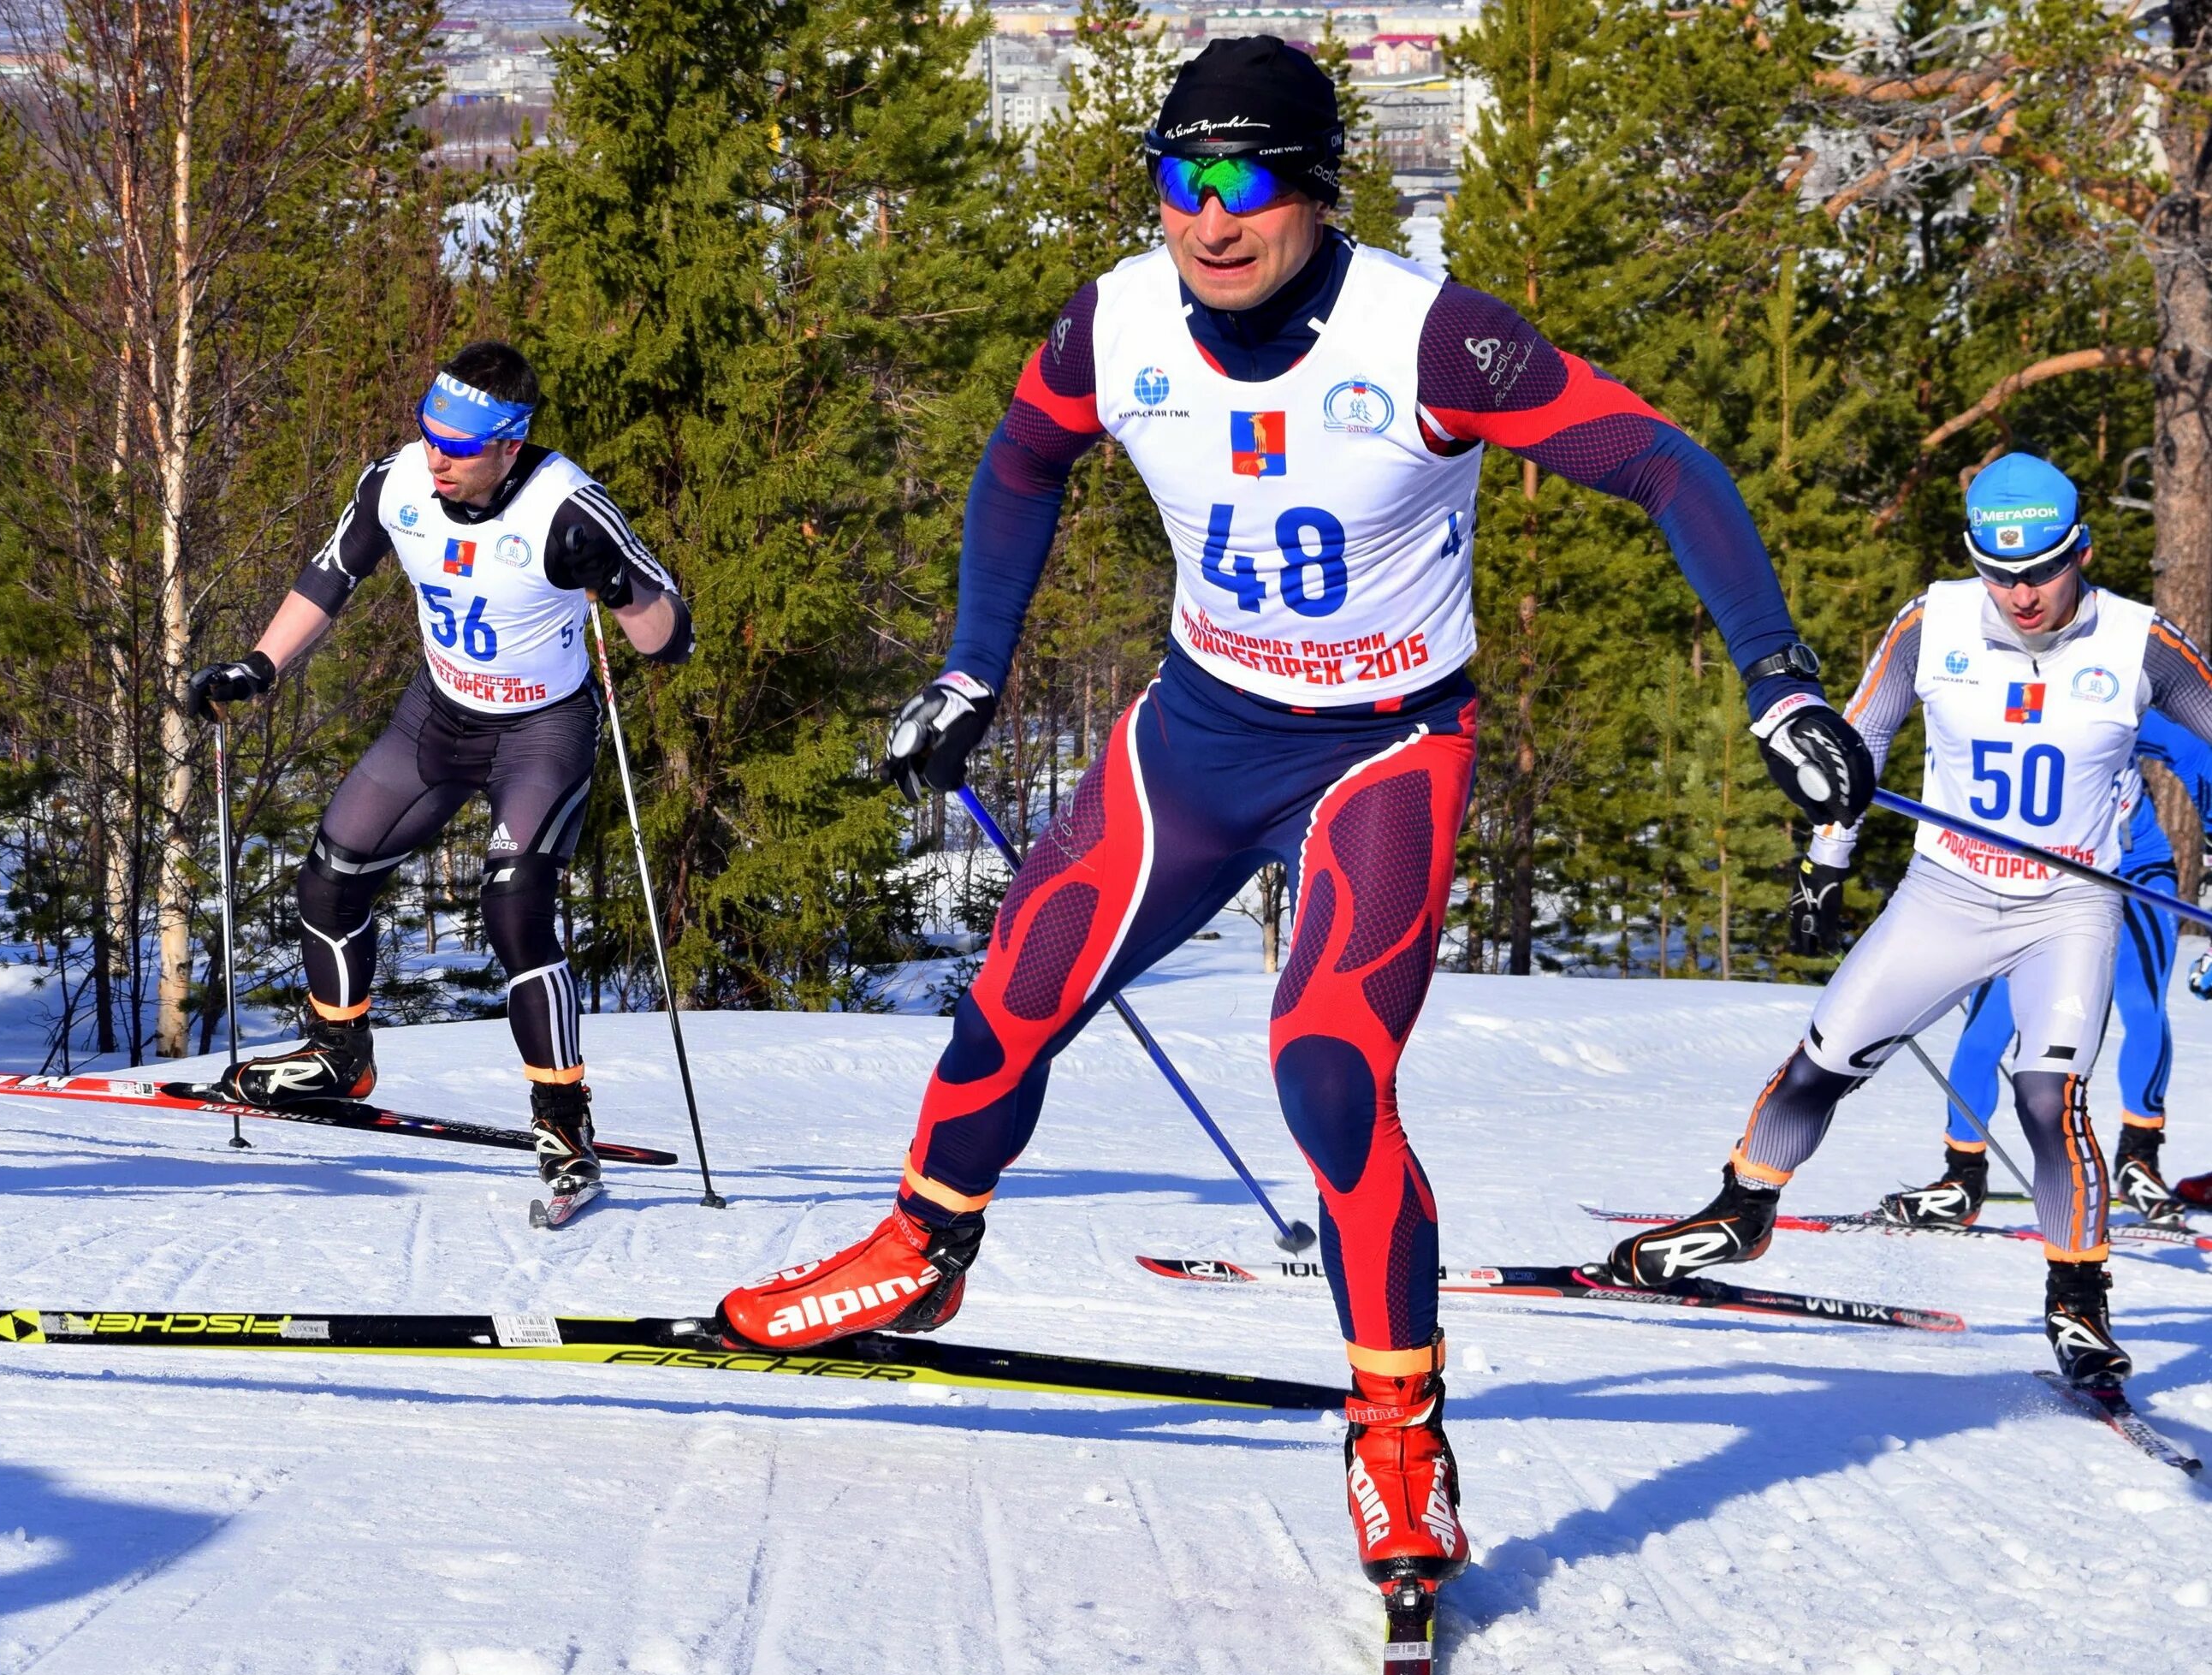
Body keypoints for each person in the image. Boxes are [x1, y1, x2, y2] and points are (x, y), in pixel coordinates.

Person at [709, 37, 1871, 1595]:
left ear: (1317, 187)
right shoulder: (1117, 317)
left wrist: (1782, 684)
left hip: (1382, 754)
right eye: (1180, 184)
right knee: (1010, 1003)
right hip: (1195, 736)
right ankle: (922, 1252)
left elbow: (1664, 464)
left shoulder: (1432, 340)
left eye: (1247, 181)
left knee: (1326, 1073)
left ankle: (1397, 1424)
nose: (1210, 220)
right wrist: (973, 669)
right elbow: (1021, 459)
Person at [1610, 454, 2212, 1388]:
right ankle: (1741, 1210)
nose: (2019, 594)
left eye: (2042, 569)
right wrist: (1824, 868)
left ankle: (2077, 1300)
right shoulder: (1931, 623)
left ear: (2081, 550)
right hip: (1946, 893)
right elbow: (1856, 749)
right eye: (1997, 570)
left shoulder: (2141, 644)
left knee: (2047, 1100)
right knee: (1822, 1064)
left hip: (2069, 906)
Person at [185, 342, 693, 1198]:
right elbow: (331, 574)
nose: (437, 458)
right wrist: (261, 667)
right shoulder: (397, 484)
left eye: (459, 447)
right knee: (331, 872)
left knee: (514, 904)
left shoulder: (569, 508)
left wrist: (620, 589)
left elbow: (669, 638)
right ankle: (338, 1057)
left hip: (542, 729)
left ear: (509, 442)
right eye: (429, 436)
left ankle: (564, 1118)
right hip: (440, 717)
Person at [1889, 712, 2212, 1229]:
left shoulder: (2107, 692)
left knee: (2142, 1005)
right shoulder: (1983, 701)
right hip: (2033, 873)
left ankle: (2138, 1159)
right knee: (1985, 1032)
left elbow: (2198, 755)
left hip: (2132, 866)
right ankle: (1962, 1177)